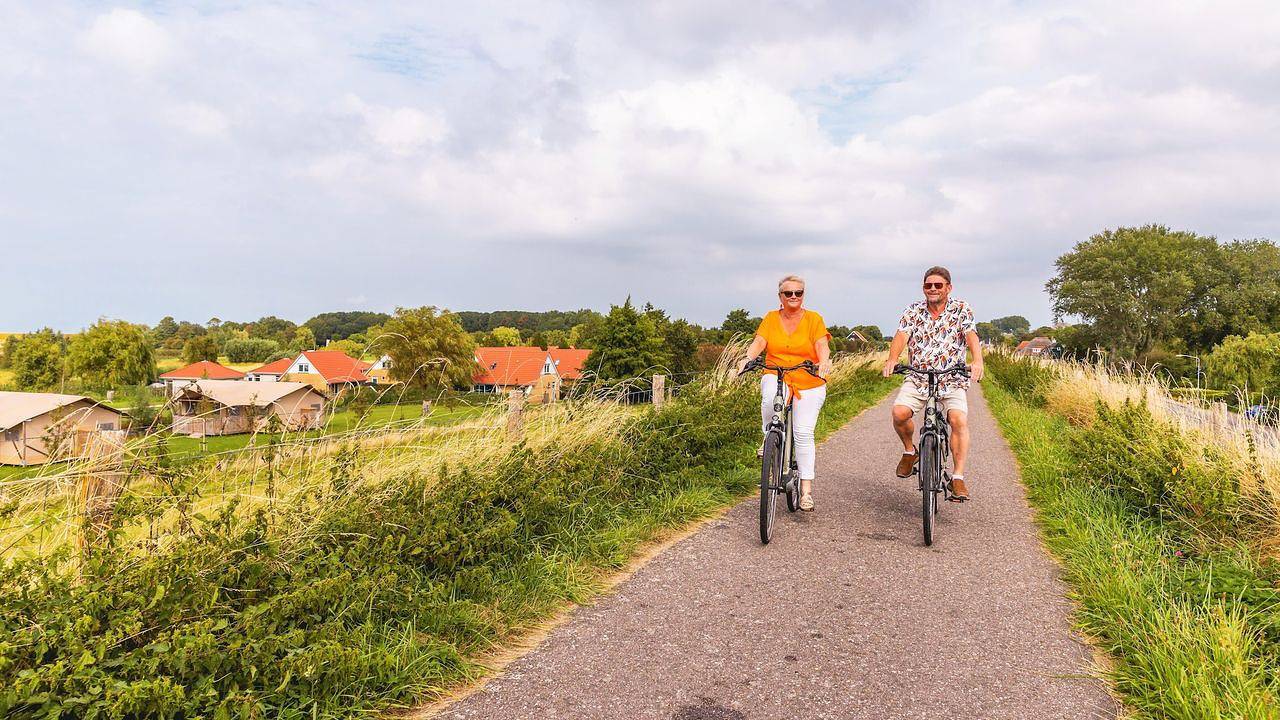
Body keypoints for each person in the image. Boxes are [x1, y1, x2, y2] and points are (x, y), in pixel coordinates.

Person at [881, 266, 984, 501]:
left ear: (949, 287)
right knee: (899, 413)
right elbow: (902, 335)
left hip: (951, 377)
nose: (933, 289)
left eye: (938, 285)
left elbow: (971, 335)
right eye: (928, 285)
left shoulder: (961, 309)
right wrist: (892, 359)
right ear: (923, 288)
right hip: (919, 376)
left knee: (957, 420)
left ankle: (957, 478)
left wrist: (977, 361)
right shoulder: (913, 310)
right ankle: (910, 451)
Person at [738, 275, 833, 511]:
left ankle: (806, 491)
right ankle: (769, 437)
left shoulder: (813, 319)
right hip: (777, 372)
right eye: (788, 293)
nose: (793, 297)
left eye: (798, 293)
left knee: (803, 432)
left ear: (803, 295)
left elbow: (822, 345)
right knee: (770, 397)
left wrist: (823, 361)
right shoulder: (771, 318)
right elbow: (759, 342)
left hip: (808, 378)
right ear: (780, 296)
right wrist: (747, 358)